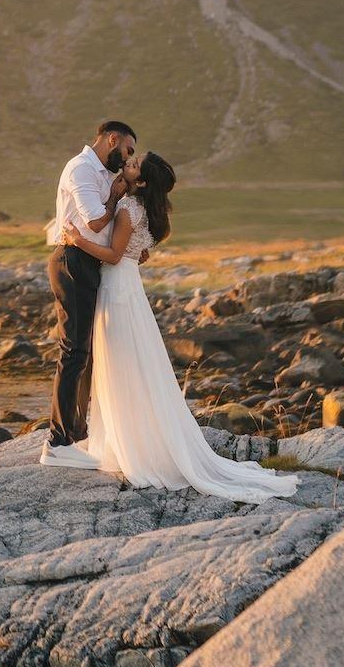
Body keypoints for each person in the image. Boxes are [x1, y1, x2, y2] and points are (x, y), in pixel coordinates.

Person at [71, 151, 299, 499]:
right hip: (128, 288)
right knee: (133, 365)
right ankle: (129, 441)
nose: (126, 165)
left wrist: (79, 241)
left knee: (121, 366)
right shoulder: (144, 209)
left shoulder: (129, 209)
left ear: (142, 181)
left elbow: (115, 255)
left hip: (118, 289)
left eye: (133, 165)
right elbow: (134, 253)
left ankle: (130, 447)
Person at [37, 119, 134, 456]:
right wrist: (116, 197)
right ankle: (58, 440)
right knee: (73, 350)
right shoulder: (80, 169)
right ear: (112, 139)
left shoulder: (105, 173)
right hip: (72, 261)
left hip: (89, 262)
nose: (127, 157)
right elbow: (94, 220)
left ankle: (77, 433)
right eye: (127, 149)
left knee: (85, 353)